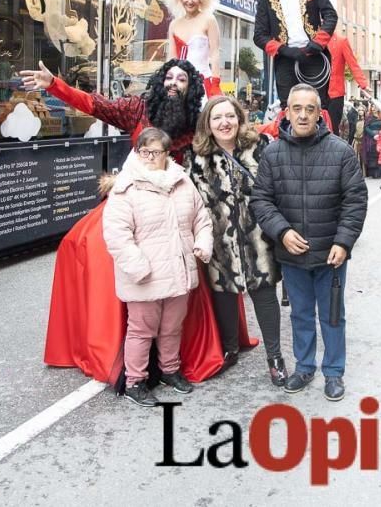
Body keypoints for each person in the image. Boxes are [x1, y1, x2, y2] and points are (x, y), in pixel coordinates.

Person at [26, 59, 253, 386]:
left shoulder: (196, 124)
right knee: (80, 244)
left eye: (183, 79)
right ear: (161, 81)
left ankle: (182, 358)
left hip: (176, 211)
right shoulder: (136, 109)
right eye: (169, 77)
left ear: (191, 88)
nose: (175, 83)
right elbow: (94, 104)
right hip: (134, 204)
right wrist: (53, 85)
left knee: (198, 273)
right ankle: (112, 349)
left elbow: (224, 133)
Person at [250, 84, 368, 401]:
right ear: (287, 111)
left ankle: (333, 372)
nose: (303, 115)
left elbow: (355, 201)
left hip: (331, 256)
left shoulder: (341, 152)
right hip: (292, 256)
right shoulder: (272, 153)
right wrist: (282, 232)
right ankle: (304, 367)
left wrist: (344, 242)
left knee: (332, 316)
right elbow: (261, 201)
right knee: (300, 315)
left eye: (310, 109)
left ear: (319, 113)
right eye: (296, 108)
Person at [103, 128, 214, 407]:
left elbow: (201, 218)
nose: (150, 157)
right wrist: (139, 267)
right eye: (145, 151)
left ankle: (170, 370)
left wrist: (203, 243)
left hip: (178, 270)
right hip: (145, 276)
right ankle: (135, 381)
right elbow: (117, 235)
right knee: (141, 330)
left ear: (167, 154)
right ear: (138, 153)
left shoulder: (182, 182)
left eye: (157, 152)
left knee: (172, 327)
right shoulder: (125, 188)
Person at [190, 96, 287, 385]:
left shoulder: (261, 148)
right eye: (217, 118)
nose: (224, 123)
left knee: (264, 294)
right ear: (208, 124)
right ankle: (229, 349)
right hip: (220, 241)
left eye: (230, 116)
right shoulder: (197, 159)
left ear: (239, 119)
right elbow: (192, 203)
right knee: (224, 295)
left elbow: (278, 187)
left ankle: (275, 357)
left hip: (259, 239)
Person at [166, 0, 223, 98]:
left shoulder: (209, 20)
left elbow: (215, 54)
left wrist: (215, 83)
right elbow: (171, 58)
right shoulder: (174, 24)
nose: (189, 1)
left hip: (202, 85)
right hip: (179, 86)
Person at [325, 33, 371, 137]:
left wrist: (363, 83)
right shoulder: (313, 40)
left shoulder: (341, 41)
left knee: (332, 127)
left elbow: (352, 63)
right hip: (316, 91)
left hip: (335, 92)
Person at [360, 103, 381, 179]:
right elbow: (366, 127)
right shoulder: (368, 117)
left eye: (376, 106)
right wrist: (373, 135)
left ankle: (379, 172)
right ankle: (372, 173)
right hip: (371, 139)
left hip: (380, 138)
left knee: (379, 155)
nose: (374, 108)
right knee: (372, 155)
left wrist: (380, 134)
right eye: (373, 106)